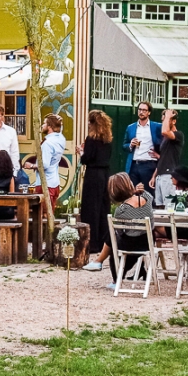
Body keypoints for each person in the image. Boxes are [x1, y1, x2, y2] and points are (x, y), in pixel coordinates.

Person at [105, 172, 153, 289]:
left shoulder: (120, 210)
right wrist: (138, 192)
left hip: (129, 244)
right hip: (148, 242)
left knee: (114, 248)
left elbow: (120, 232)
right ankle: (141, 271)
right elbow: (150, 197)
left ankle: (117, 280)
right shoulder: (146, 198)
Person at [78, 110, 113, 265]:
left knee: (90, 207)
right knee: (103, 208)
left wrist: (81, 153)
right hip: (105, 174)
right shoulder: (108, 139)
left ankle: (91, 244)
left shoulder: (91, 139)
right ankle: (102, 242)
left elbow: (88, 158)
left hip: (93, 174)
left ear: (92, 123)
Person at [26, 114, 66, 212]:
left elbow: (45, 165)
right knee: (49, 214)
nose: (42, 126)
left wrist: (31, 165)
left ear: (50, 127)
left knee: (42, 215)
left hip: (45, 183)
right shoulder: (61, 139)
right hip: (55, 182)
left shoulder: (48, 144)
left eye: (44, 123)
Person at [122, 101, 162, 196]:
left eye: (144, 110)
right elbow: (124, 145)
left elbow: (164, 144)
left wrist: (159, 155)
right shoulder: (130, 127)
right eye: (140, 109)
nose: (141, 112)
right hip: (134, 164)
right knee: (133, 194)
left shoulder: (156, 127)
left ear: (149, 112)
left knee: (148, 195)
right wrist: (130, 145)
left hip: (149, 164)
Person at [151, 109, 185, 208]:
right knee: (159, 208)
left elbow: (165, 131)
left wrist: (168, 116)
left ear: (174, 121)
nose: (164, 122)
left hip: (169, 176)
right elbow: (163, 159)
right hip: (160, 176)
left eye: (166, 120)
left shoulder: (179, 135)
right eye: (163, 120)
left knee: (169, 208)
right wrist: (154, 176)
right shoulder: (165, 140)